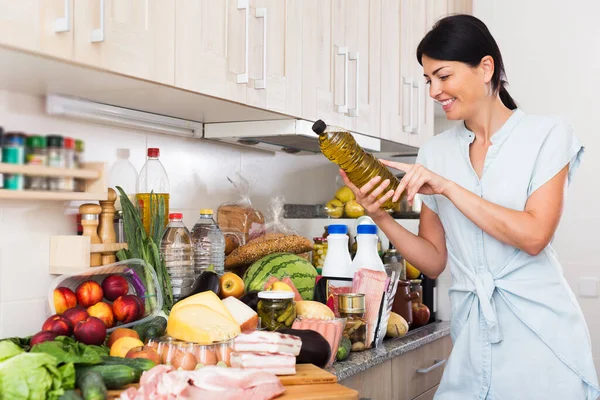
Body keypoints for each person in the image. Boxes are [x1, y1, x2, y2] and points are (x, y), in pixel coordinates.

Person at [341, 14, 599, 399]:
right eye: (428, 80)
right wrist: (379, 215)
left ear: (485, 68)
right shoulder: (435, 151)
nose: (433, 91)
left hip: (540, 337)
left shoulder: (547, 135)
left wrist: (447, 187)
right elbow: (432, 260)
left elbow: (533, 236)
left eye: (443, 77)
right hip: (472, 338)